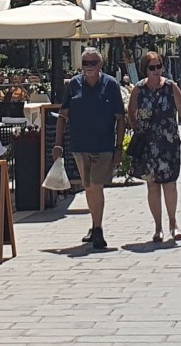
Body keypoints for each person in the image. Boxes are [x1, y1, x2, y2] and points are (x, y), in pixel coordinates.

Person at [53, 47, 125, 250]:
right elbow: (62, 115)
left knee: (96, 185)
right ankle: (94, 226)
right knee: (88, 186)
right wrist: (58, 144)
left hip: (103, 145)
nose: (89, 67)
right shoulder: (74, 84)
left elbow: (120, 118)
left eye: (93, 63)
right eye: (86, 63)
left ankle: (98, 229)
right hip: (80, 144)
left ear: (101, 65)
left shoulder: (110, 84)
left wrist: (118, 148)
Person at [128, 50, 181, 243]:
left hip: (168, 143)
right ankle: (158, 227)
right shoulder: (138, 89)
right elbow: (131, 111)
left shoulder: (171, 87)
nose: (156, 71)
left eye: (159, 66)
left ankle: (173, 223)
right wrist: (138, 130)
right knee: (152, 186)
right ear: (145, 69)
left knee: (170, 184)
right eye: (152, 67)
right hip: (148, 145)